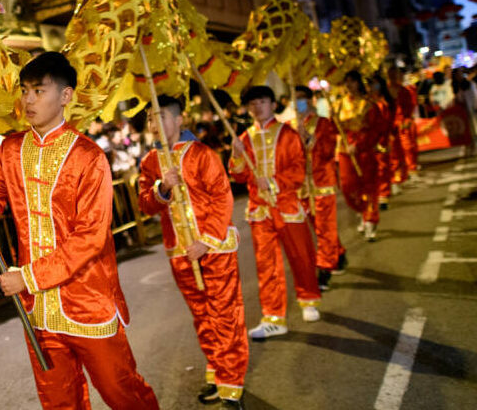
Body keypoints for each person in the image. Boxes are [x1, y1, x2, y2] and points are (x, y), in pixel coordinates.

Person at [0, 52, 158, 410]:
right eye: (24, 90)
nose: (27, 100)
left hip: (88, 304)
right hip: (39, 310)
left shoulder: (89, 157)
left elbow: (90, 237)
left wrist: (28, 277)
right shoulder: (10, 150)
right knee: (58, 402)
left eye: (38, 91)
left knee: (123, 393)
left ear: (66, 96)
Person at [138, 95, 247, 409]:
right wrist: (162, 188)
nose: (154, 125)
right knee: (202, 317)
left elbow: (222, 197)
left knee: (225, 317)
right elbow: (146, 204)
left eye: (160, 117)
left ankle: (231, 386)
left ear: (178, 119)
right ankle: (217, 371)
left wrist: (208, 239)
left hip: (214, 250)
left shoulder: (201, 153)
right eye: (149, 119)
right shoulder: (149, 162)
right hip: (180, 253)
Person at [229, 85, 321, 339]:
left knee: (301, 256)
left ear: (272, 104)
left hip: (288, 207)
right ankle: (273, 317)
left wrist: (272, 182)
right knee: (266, 265)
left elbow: (298, 171)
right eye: (252, 104)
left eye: (262, 102)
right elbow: (238, 175)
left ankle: (309, 298)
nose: (257, 107)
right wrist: (236, 156)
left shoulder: (287, 134)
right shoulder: (244, 138)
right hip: (260, 211)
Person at [293, 86, 346, 291]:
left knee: (325, 227)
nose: (298, 103)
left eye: (301, 99)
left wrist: (307, 138)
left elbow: (327, 151)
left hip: (322, 183)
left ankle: (324, 269)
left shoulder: (323, 124)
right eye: (295, 99)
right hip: (303, 187)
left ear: (310, 100)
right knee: (319, 228)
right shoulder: (290, 126)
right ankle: (338, 253)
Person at [333, 71, 385, 241]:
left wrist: (360, 144)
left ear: (359, 83)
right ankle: (362, 211)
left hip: (364, 150)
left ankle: (370, 220)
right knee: (348, 186)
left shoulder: (368, 104)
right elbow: (332, 129)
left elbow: (376, 129)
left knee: (369, 186)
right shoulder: (338, 105)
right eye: (346, 81)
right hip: (345, 151)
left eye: (352, 81)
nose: (349, 85)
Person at [370, 75, 396, 210]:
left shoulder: (383, 103)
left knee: (382, 167)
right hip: (368, 141)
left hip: (381, 139)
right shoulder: (368, 102)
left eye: (376, 84)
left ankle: (383, 195)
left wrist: (381, 139)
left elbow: (385, 124)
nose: (373, 87)